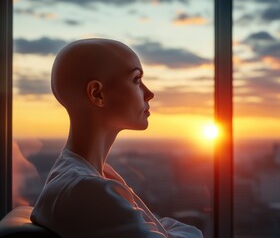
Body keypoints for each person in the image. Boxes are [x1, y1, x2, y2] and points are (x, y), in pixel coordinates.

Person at [30, 38, 203, 238]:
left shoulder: (90, 176)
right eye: (136, 80)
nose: (149, 93)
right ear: (97, 94)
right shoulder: (87, 190)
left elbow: (154, 227)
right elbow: (178, 231)